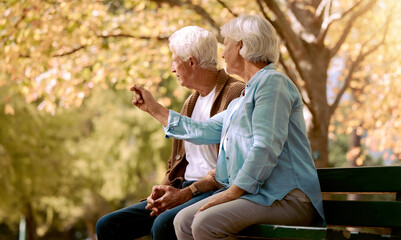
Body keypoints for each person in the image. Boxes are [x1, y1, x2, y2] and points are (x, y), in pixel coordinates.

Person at [130, 15, 325, 240]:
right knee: (183, 221)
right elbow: (201, 131)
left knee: (205, 223)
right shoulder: (241, 100)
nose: (222, 54)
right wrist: (154, 109)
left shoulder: (273, 83)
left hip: (287, 198)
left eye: (227, 45)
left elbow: (265, 147)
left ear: (242, 46)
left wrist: (231, 193)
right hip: (258, 195)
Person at [96, 26, 244, 240]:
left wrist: (186, 193)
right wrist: (160, 192)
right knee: (108, 226)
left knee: (164, 225)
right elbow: (178, 162)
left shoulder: (236, 93)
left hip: (213, 190)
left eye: (175, 61)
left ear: (192, 62)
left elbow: (230, 168)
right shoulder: (191, 102)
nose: (172, 69)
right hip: (183, 188)